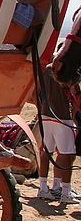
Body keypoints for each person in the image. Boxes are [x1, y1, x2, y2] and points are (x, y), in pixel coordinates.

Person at [36, 61, 80, 204]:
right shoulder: (67, 70)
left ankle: (45, 187)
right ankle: (65, 191)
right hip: (61, 116)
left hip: (46, 113)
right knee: (66, 154)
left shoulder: (48, 68)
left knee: (47, 151)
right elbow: (74, 90)